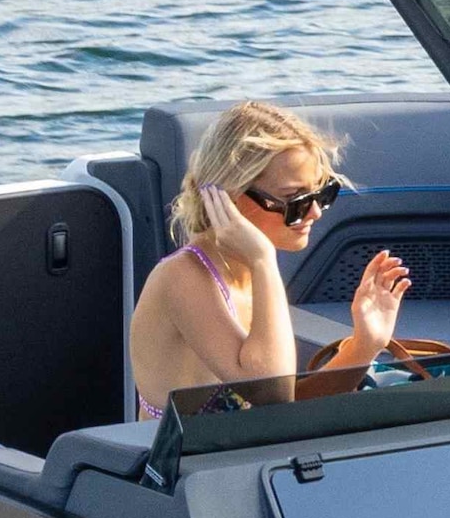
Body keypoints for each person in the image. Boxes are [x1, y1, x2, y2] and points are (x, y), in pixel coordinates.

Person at [126, 101, 416, 416]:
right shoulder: (182, 276)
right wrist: (263, 259)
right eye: (295, 200)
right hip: (185, 464)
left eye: (321, 194)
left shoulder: (245, 271)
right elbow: (272, 394)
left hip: (243, 458)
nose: (315, 212)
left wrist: (365, 344)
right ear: (229, 196)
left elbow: (286, 405)